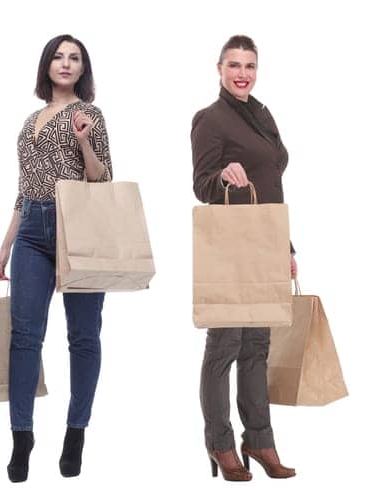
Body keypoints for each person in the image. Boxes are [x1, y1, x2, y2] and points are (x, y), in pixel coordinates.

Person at [0, 34, 112, 483]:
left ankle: (75, 432)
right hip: (31, 231)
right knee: (24, 337)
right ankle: (22, 436)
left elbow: (102, 180)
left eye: (74, 58)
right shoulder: (30, 120)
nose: (65, 64)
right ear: (47, 66)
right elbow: (24, 189)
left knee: (83, 337)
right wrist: (5, 245)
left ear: (83, 69)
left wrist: (83, 142)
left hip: (76, 226)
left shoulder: (90, 115)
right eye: (58, 57)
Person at [190, 34, 297, 483]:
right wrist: (224, 179)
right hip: (232, 249)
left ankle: (261, 439)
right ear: (218, 69)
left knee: (258, 347)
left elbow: (273, 184)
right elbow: (201, 184)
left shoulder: (263, 115)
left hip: (266, 243)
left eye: (249, 66)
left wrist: (286, 245)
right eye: (233, 65)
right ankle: (219, 442)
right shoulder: (209, 119)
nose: (242, 74)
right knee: (225, 345)